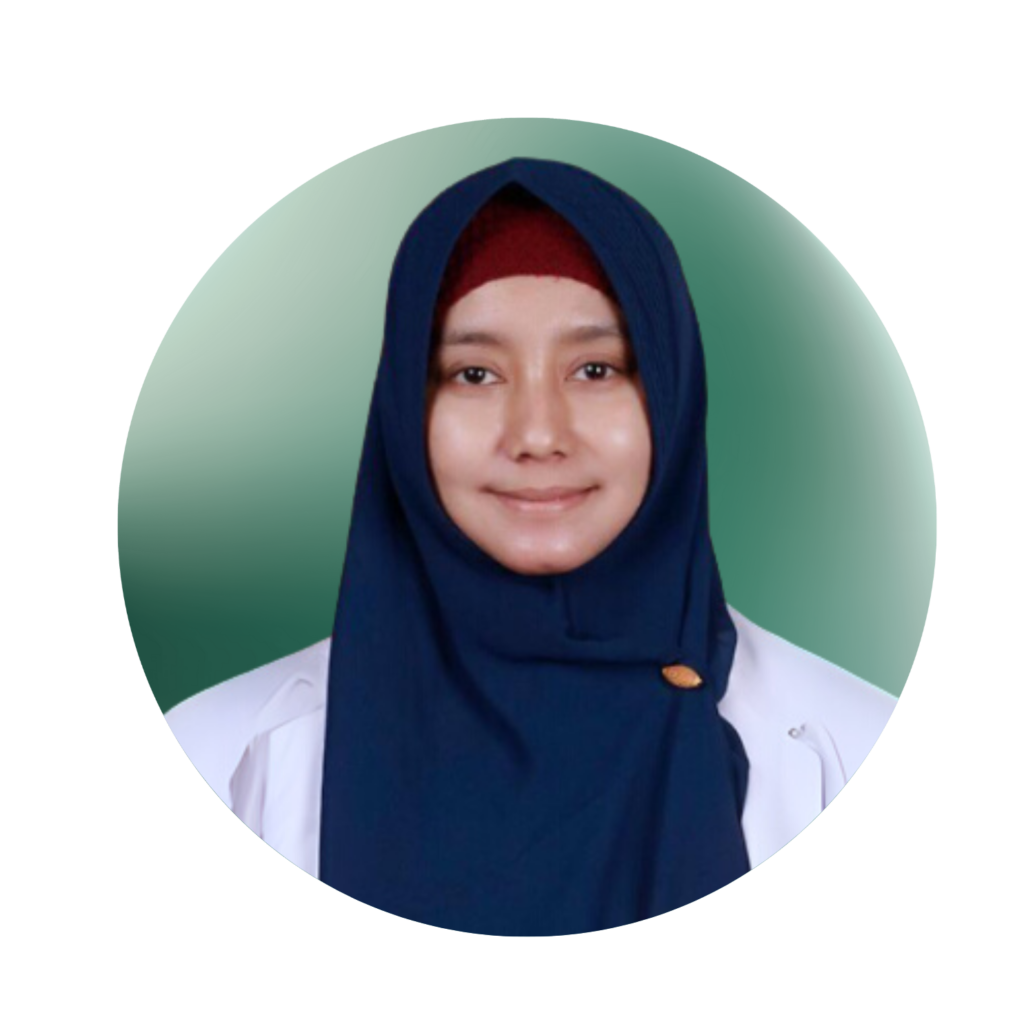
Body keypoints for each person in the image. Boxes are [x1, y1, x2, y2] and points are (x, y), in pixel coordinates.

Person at [163, 158, 898, 935]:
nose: (538, 434)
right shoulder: (221, 756)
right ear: (405, 410)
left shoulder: (849, 745)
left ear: (672, 396)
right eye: (475, 374)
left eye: (596, 368)